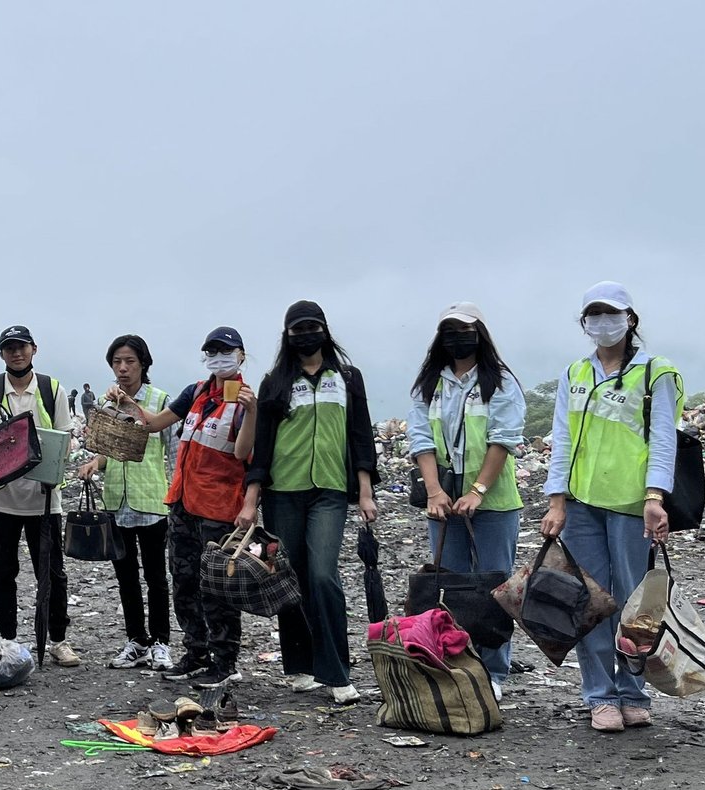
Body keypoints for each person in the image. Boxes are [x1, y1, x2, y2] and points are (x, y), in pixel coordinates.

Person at [541, 282, 681, 734]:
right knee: (591, 602)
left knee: (634, 603)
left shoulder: (656, 372)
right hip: (583, 504)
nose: (604, 322)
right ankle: (600, 695)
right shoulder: (575, 373)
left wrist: (655, 498)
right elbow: (563, 438)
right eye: (595, 314)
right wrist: (557, 499)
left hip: (631, 504)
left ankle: (633, 693)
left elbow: (663, 439)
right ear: (585, 322)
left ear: (630, 319)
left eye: (612, 314)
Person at [241, 302, 379, 705]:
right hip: (284, 490)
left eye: (312, 328)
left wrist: (365, 491)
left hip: (330, 490)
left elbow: (360, 435)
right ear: (287, 336)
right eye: (297, 330)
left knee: (322, 575)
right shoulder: (276, 382)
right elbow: (263, 444)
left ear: (325, 330)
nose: (306, 336)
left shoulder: (347, 378)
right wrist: (251, 499)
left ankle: (336, 673)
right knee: (291, 576)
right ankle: (300, 665)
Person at [116, 327, 254, 688]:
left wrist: (251, 412)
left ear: (241, 355)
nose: (219, 358)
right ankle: (196, 653)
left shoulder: (245, 401)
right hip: (183, 503)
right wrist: (129, 404)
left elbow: (243, 452)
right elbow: (153, 423)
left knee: (217, 588)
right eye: (213, 352)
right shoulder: (195, 392)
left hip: (219, 508)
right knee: (184, 581)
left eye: (226, 351)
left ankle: (225, 661)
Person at [405, 303, 526, 699]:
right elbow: (421, 439)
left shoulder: (499, 382)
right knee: (448, 586)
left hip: (494, 504)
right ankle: (455, 665)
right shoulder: (430, 384)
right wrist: (434, 491)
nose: (457, 338)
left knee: (494, 587)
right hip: (443, 502)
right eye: (450, 331)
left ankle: (493, 672)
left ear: (480, 335)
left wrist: (478, 491)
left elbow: (502, 439)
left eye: (465, 330)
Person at [0, 326, 76, 666]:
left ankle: (57, 640)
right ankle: (8, 640)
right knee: (2, 572)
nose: (16, 353)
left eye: (22, 347)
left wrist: (51, 469)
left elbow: (66, 438)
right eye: (9, 348)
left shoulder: (52, 389)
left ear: (34, 349)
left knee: (52, 573)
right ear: (1, 354)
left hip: (42, 501)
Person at [77, 334, 176, 672]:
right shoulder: (106, 404)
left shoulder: (160, 400)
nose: (122, 368)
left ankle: (161, 642)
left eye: (129, 361)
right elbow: (109, 451)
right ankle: (136, 641)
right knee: (126, 576)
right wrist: (95, 463)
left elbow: (173, 451)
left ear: (143, 364)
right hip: (116, 501)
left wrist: (177, 494)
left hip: (151, 500)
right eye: (117, 362)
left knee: (156, 576)